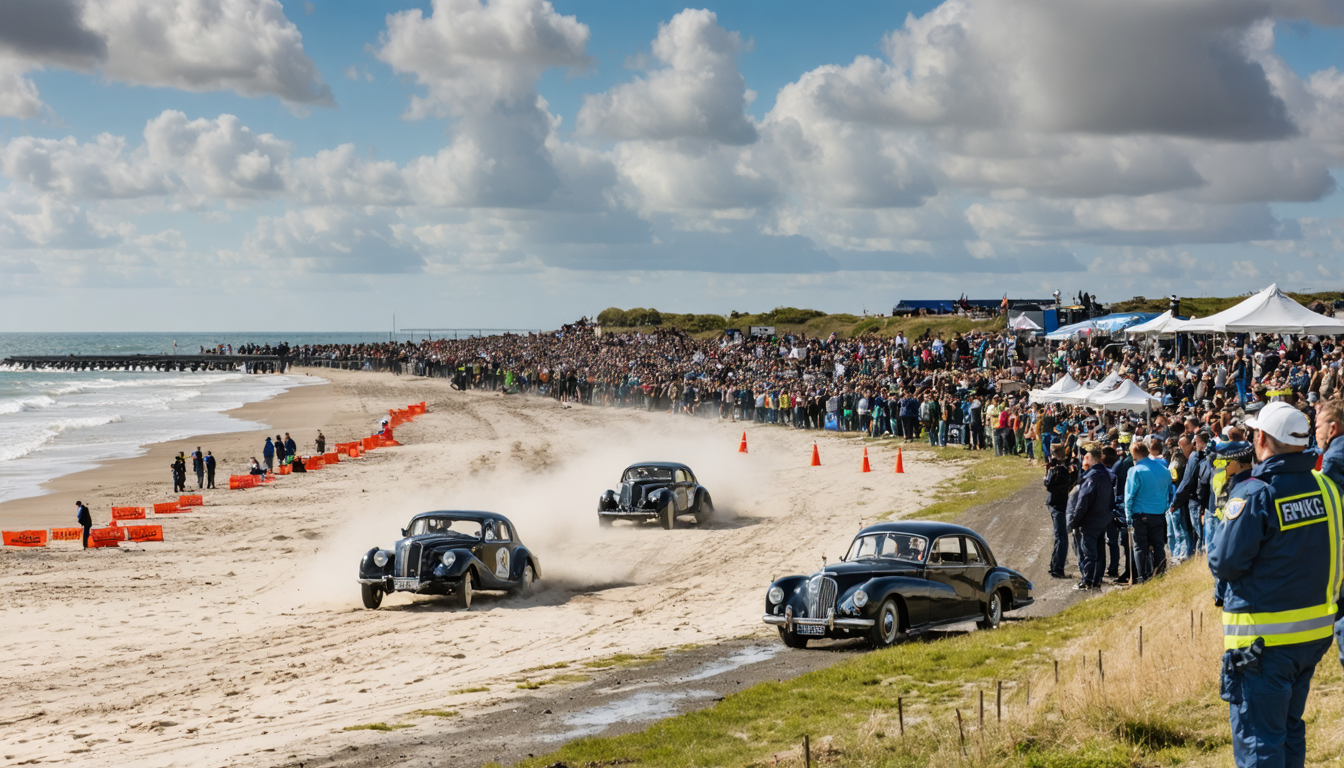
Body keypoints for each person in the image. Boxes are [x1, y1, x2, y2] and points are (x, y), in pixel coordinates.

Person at [1209, 401, 1342, 768]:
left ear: (1261, 438)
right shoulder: (1325, 487)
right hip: (1312, 635)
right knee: (1287, 730)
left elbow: (1225, 563)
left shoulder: (1256, 492)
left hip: (1263, 643)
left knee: (1259, 742)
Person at [1066, 447, 1114, 590]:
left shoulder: (1090, 479)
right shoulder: (1106, 476)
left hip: (1090, 521)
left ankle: (1087, 580)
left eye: (1085, 457)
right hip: (1102, 519)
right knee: (1100, 551)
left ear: (1090, 459)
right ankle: (1097, 578)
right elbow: (1111, 499)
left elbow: (1083, 504)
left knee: (1089, 552)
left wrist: (1074, 522)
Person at [1125, 441, 1172, 583]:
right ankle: (1160, 574)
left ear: (1135, 453)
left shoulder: (1136, 470)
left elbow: (1129, 495)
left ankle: (1142, 577)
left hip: (1140, 512)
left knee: (1140, 546)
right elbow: (1169, 491)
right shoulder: (1163, 469)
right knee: (1158, 544)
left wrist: (1128, 515)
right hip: (1159, 512)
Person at [1043, 444, 1075, 579]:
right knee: (1060, 537)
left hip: (1058, 504)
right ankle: (1056, 566)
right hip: (1059, 504)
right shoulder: (1064, 467)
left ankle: (1057, 567)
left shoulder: (1062, 469)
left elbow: (1049, 485)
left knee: (1060, 537)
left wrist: (1050, 472)